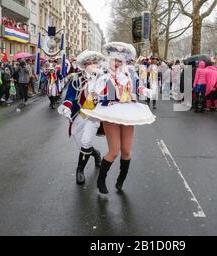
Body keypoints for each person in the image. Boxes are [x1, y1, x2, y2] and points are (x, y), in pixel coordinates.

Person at [81, 42, 156, 194]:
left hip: (128, 111)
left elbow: (137, 87)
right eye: (114, 60)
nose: (117, 63)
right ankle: (101, 180)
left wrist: (147, 91)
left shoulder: (129, 74)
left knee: (127, 151)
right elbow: (96, 93)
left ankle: (121, 179)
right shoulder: (103, 75)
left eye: (120, 61)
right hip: (111, 112)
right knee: (114, 151)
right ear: (109, 60)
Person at [58, 50, 105, 185]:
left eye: (94, 62)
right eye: (88, 63)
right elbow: (70, 95)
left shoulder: (103, 78)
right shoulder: (77, 78)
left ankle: (80, 170)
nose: (91, 65)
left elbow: (109, 96)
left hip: (94, 116)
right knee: (80, 142)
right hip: (80, 114)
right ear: (84, 65)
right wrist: (66, 106)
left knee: (85, 142)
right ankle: (95, 153)